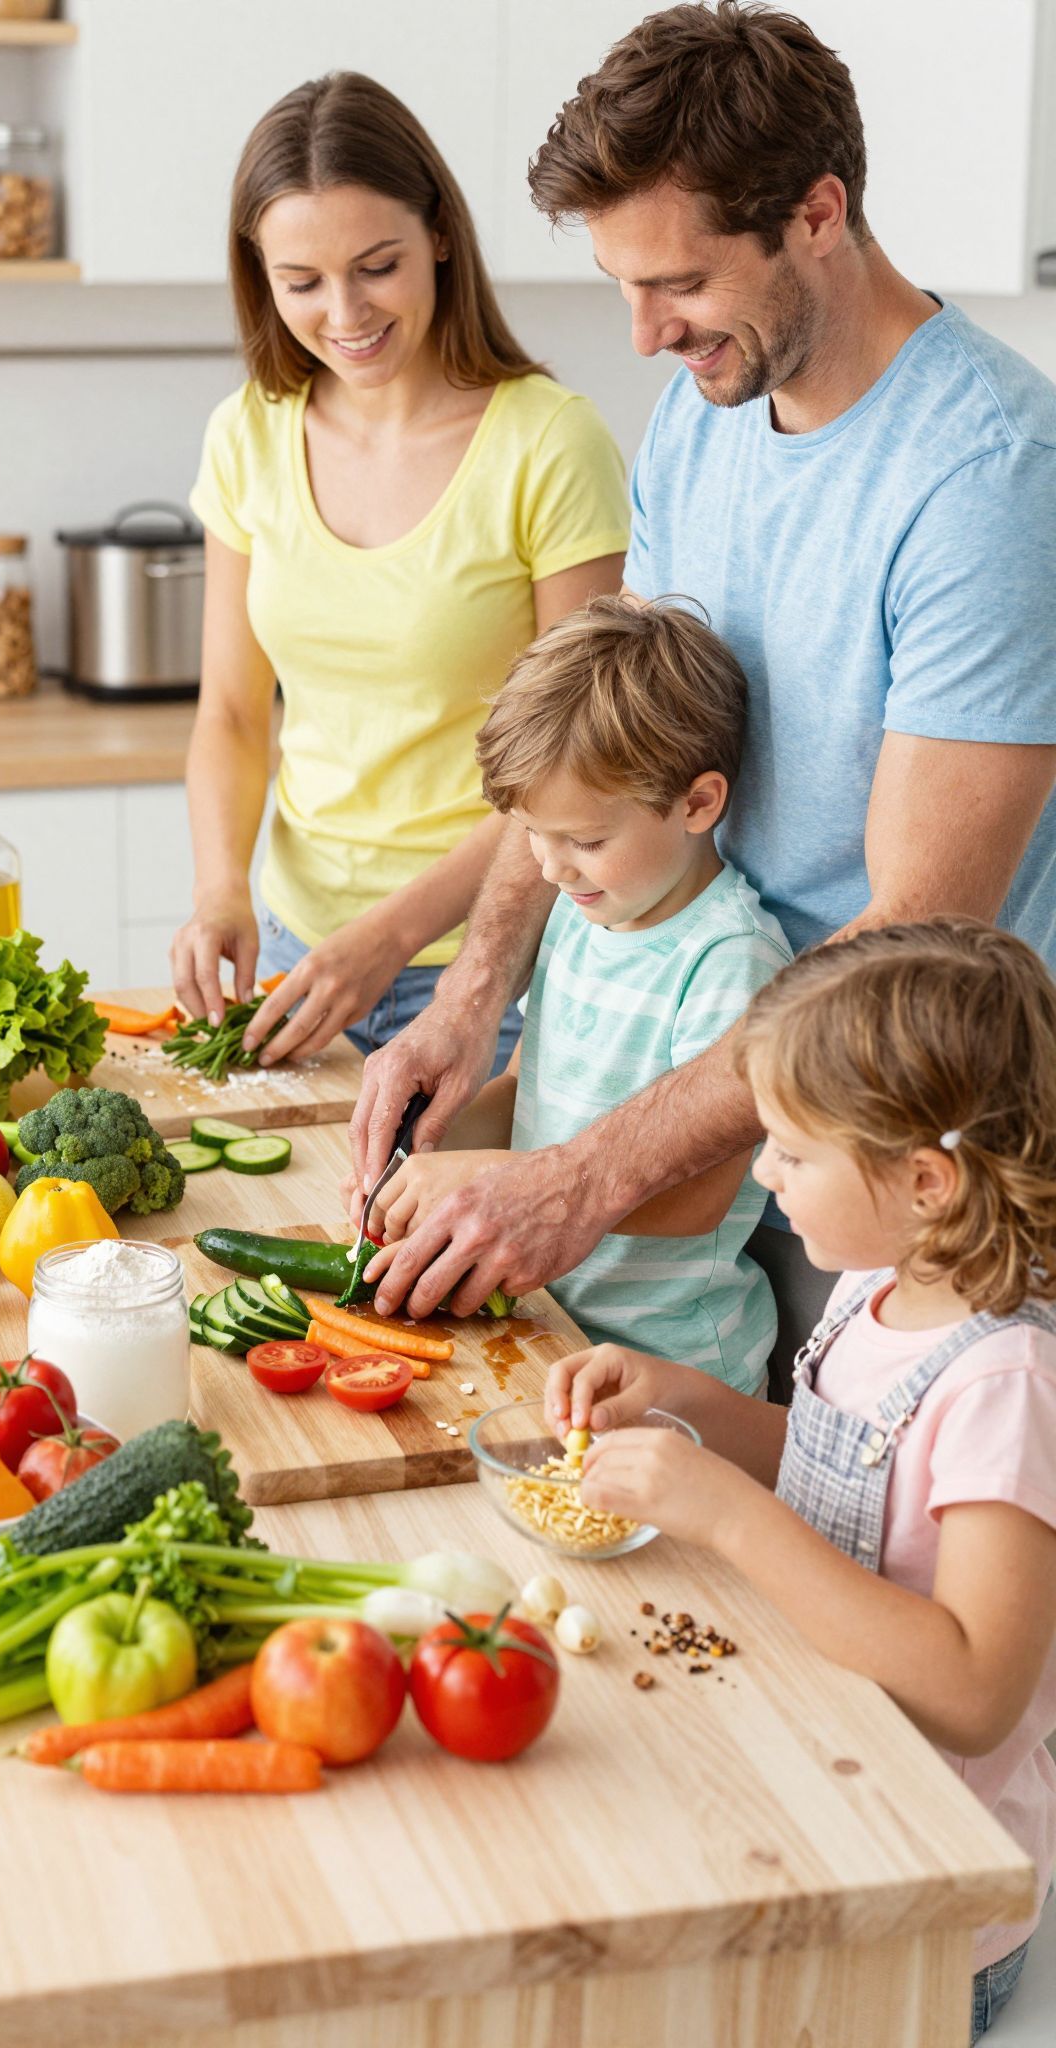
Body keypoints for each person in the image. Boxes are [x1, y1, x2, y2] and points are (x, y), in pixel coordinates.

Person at [350, 3, 1056, 1391]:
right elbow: (600, 746)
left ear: (817, 214)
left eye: (677, 281)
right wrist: (471, 998)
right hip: (718, 1131)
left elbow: (916, 930)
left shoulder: (989, 479)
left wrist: (586, 1174)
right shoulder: (706, 411)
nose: (643, 333)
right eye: (621, 283)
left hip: (907, 1173)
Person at [547, 920, 1056, 2041]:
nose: (765, 1174)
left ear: (925, 1181)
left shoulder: (1006, 1381)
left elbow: (978, 1691)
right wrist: (691, 1402)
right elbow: (851, 1472)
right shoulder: (881, 1279)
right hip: (820, 1773)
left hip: (920, 1903)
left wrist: (729, 1517)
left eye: (790, 1151)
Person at [173, 71, 628, 1065]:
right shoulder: (247, 434)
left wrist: (392, 937)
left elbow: (571, 763)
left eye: (376, 266)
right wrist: (219, 888)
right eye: (302, 282)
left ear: (440, 236)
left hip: (492, 967)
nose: (344, 311)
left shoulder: (549, 443)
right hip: (297, 955)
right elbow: (234, 713)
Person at [369, 596, 791, 1389]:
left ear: (698, 803)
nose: (552, 866)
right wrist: (421, 1157)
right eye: (532, 832)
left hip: (670, 1369)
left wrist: (482, 1184)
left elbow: (700, 1203)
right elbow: (523, 1088)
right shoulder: (579, 910)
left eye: (587, 840)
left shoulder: (730, 958)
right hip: (546, 1332)